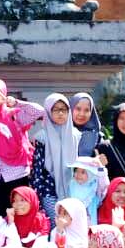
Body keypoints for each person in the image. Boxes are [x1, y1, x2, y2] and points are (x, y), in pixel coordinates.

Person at [0, 79, 44, 216]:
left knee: (21, 213)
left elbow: (39, 111)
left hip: (17, 173)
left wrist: (17, 102)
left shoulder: (14, 115)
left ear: (4, 96)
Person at [30, 94, 81, 224]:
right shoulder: (42, 137)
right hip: (48, 187)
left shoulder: (76, 136)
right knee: (55, 224)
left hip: (73, 187)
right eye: (55, 110)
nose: (60, 113)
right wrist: (37, 195)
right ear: (48, 112)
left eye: (64, 109)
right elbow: (37, 169)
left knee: (72, 225)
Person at [70, 92, 101, 158]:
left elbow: (102, 163)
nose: (82, 114)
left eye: (86, 110)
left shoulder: (98, 137)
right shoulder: (61, 133)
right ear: (71, 109)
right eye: (78, 109)